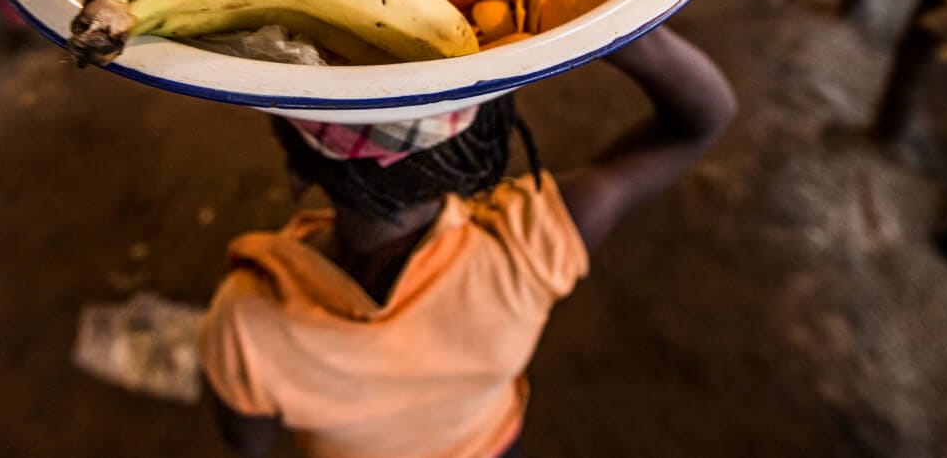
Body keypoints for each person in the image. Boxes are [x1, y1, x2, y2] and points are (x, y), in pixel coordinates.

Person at [200, 25, 737, 458]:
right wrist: (613, 21)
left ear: (298, 170)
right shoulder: (525, 244)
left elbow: (248, 444)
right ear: (478, 143)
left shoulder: (244, 322)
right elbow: (700, 122)